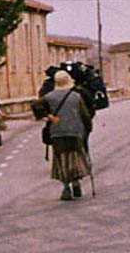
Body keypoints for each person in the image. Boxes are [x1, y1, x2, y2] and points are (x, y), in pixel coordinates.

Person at [40, 70, 93, 201]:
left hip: (57, 133)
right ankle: (76, 182)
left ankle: (66, 187)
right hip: (75, 132)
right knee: (75, 157)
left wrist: (49, 117)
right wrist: (88, 129)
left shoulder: (48, 97)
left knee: (61, 159)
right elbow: (85, 115)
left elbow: (37, 108)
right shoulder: (76, 96)